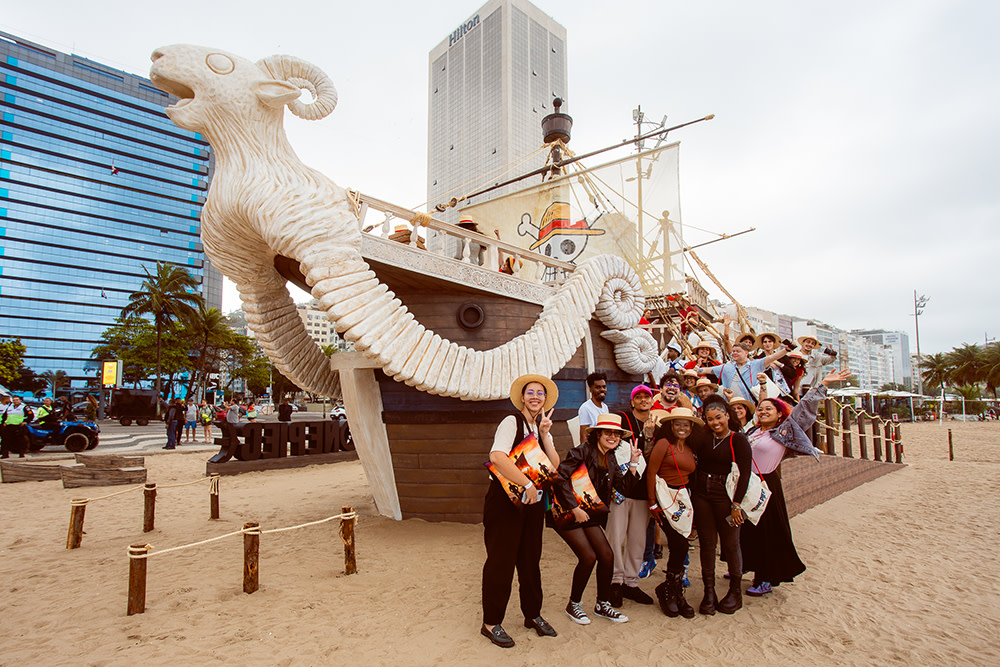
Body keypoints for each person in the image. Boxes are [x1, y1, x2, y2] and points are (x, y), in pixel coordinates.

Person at [740, 368, 850, 597]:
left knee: (767, 531)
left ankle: (766, 578)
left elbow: (805, 409)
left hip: (767, 483)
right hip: (746, 482)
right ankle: (746, 568)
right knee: (748, 529)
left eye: (769, 409)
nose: (762, 411)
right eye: (760, 408)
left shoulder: (784, 430)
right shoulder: (752, 430)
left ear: (780, 414)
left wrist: (823, 383)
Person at [481, 374, 561, 648]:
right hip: (505, 501)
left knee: (530, 560)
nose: (536, 397)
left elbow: (553, 463)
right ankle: (491, 623)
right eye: (531, 392)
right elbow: (497, 456)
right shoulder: (511, 421)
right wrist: (526, 483)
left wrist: (546, 434)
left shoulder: (536, 428)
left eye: (540, 393)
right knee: (501, 561)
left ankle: (533, 615)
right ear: (523, 397)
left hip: (532, 502)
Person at [552, 414, 637, 625]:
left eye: (616, 434)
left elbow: (622, 487)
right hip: (566, 510)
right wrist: (574, 507)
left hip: (590, 513)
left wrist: (633, 465)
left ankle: (602, 603)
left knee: (607, 555)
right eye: (607, 432)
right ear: (598, 434)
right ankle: (574, 604)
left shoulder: (611, 458)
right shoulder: (581, 451)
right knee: (588, 556)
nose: (612, 437)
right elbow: (560, 478)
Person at [691, 396, 751, 615]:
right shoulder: (703, 437)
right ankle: (709, 591)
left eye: (718, 417)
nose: (715, 422)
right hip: (702, 495)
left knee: (731, 544)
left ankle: (735, 592)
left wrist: (737, 504)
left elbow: (745, 474)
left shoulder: (738, 440)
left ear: (727, 415)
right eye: (710, 419)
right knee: (707, 544)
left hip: (727, 497)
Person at [647, 407, 703, 619]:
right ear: (671, 426)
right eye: (678, 424)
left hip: (683, 501)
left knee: (682, 545)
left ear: (691, 428)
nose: (682, 428)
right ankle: (668, 589)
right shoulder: (664, 444)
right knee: (678, 545)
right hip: (664, 499)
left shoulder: (690, 448)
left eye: (686, 424)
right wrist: (653, 503)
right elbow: (652, 471)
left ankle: (675, 591)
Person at [608, 386, 657, 607]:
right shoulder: (622, 419)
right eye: (639, 397)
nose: (643, 400)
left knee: (638, 539)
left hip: (642, 490)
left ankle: (631, 582)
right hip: (620, 488)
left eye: (647, 396)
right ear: (632, 401)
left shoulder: (659, 424)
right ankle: (615, 581)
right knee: (615, 536)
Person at [699, 340, 789, 402]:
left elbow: (772, 357)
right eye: (733, 351)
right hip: (731, 405)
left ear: (746, 353)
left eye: (738, 351)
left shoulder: (756, 365)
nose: (734, 353)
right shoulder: (726, 367)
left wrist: (786, 350)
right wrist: (691, 370)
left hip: (750, 405)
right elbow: (707, 370)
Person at [577, 372, 608, 442]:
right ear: (590, 389)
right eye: (598, 387)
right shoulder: (585, 408)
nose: (602, 390)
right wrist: (586, 452)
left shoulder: (605, 407)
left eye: (604, 387)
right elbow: (583, 436)